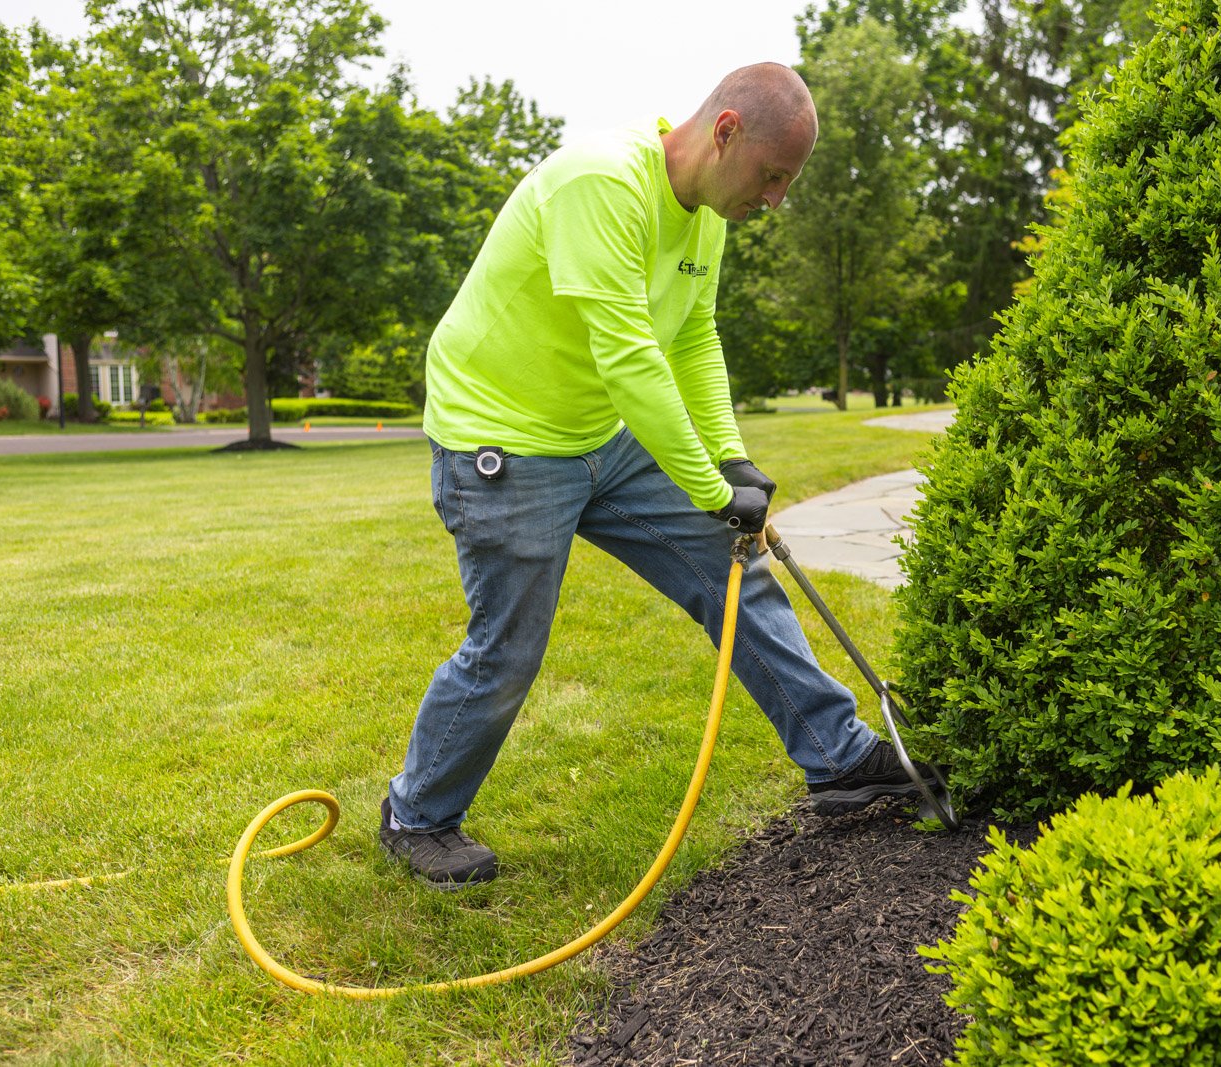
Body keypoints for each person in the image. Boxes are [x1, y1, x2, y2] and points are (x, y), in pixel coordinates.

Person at [381, 62, 916, 890]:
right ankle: (417, 814)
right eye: (773, 177)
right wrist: (709, 489)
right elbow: (630, 358)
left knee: (735, 570)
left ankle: (840, 758)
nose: (775, 200)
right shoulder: (601, 184)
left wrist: (730, 460)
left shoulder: (706, 214)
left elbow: (693, 338)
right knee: (509, 648)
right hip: (506, 438)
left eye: (787, 185)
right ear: (726, 131)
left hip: (598, 429)